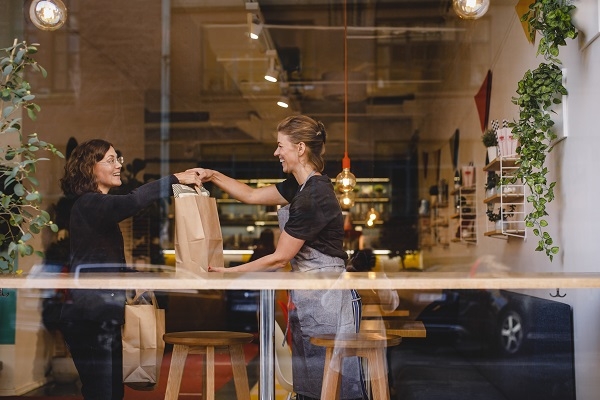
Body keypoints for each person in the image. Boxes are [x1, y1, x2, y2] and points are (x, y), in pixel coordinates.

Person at [195, 115, 366, 400]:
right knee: (311, 385)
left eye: (280, 146)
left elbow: (280, 257)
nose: (276, 153)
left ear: (300, 148)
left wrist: (229, 272)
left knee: (334, 387)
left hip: (327, 301)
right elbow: (250, 195)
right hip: (309, 296)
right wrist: (212, 175)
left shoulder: (314, 195)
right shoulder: (298, 188)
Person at [57, 139, 202, 400]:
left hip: (102, 315)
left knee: (111, 392)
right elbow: (132, 202)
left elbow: (103, 263)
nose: (118, 166)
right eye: (110, 160)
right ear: (90, 168)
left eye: (118, 159)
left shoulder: (96, 209)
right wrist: (175, 179)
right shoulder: (89, 204)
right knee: (102, 393)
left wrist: (143, 276)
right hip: (89, 318)